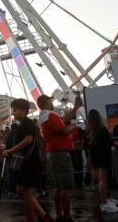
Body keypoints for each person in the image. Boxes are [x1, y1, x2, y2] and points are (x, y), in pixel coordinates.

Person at [0, 99, 54, 222]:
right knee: (21, 191)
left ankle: (31, 219)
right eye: (13, 109)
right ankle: (43, 215)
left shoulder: (27, 122)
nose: (13, 112)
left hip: (29, 163)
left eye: (15, 109)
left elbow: (28, 140)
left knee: (26, 192)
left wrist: (10, 151)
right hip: (23, 164)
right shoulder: (21, 124)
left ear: (24, 110)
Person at [37, 93, 80, 222]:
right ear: (46, 103)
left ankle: (59, 215)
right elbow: (62, 130)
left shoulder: (43, 117)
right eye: (50, 102)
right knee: (66, 187)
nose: (52, 104)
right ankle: (67, 216)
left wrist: (75, 108)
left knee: (58, 187)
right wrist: (73, 126)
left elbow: (63, 119)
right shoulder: (51, 115)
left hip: (52, 154)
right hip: (61, 155)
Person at [85, 109, 118, 213]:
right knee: (103, 181)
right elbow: (108, 142)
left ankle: (105, 201)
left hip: (95, 158)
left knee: (101, 180)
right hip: (103, 157)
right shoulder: (102, 129)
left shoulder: (88, 131)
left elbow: (86, 145)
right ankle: (104, 204)